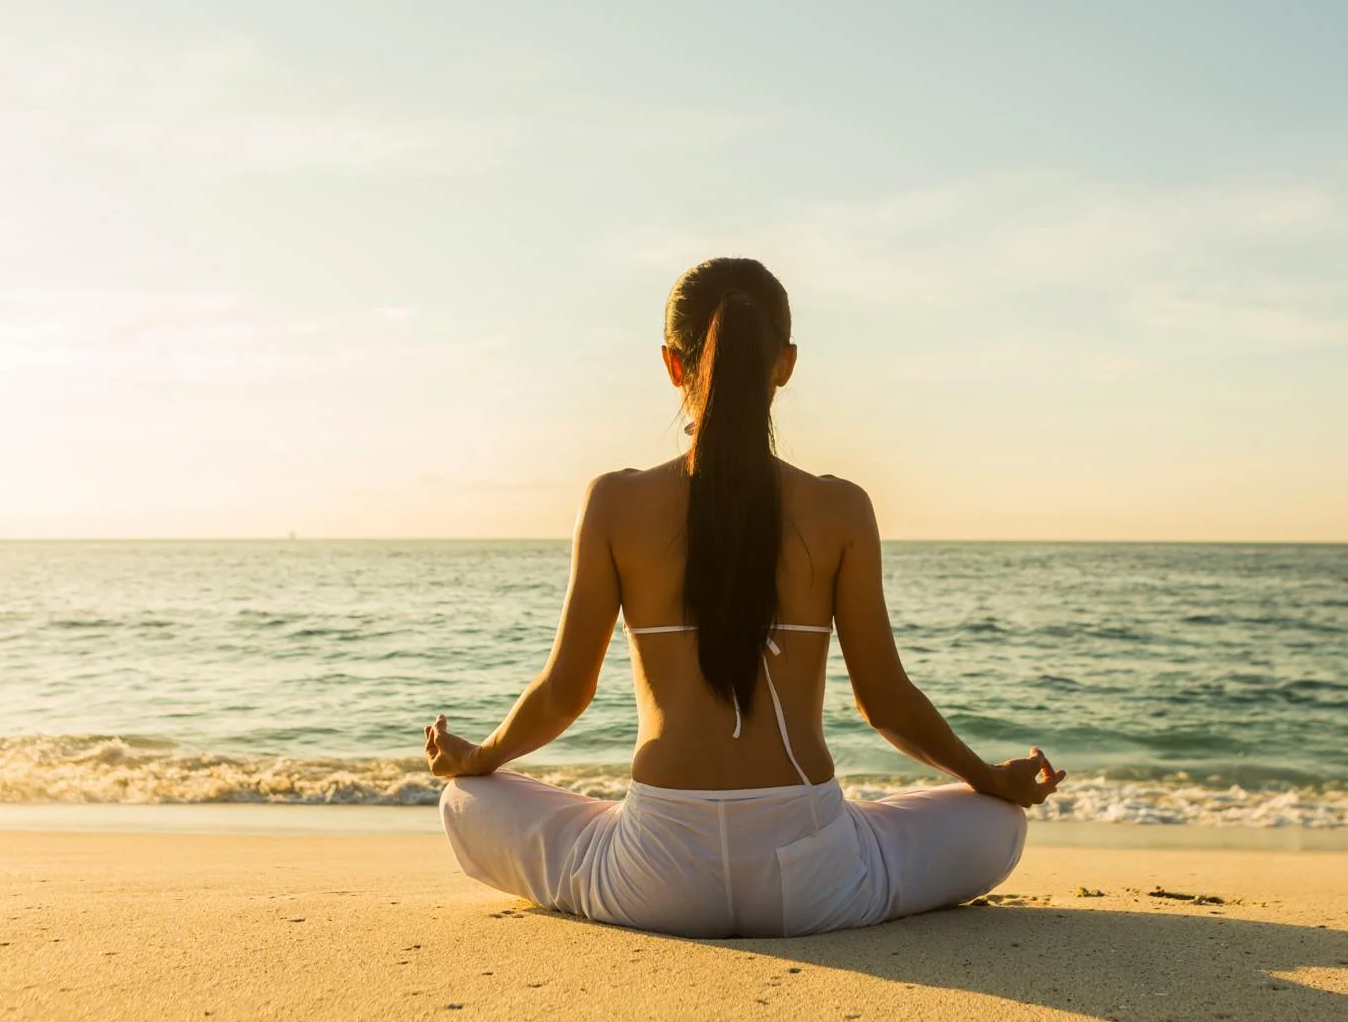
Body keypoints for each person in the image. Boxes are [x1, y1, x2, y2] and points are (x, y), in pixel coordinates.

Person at [426, 257, 1064, 937]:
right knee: (994, 822)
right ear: (785, 363)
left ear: (673, 364)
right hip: (817, 881)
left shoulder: (615, 502)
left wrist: (477, 759)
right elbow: (885, 704)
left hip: (653, 877)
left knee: (466, 802)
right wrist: (986, 779)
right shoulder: (841, 508)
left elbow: (564, 694)